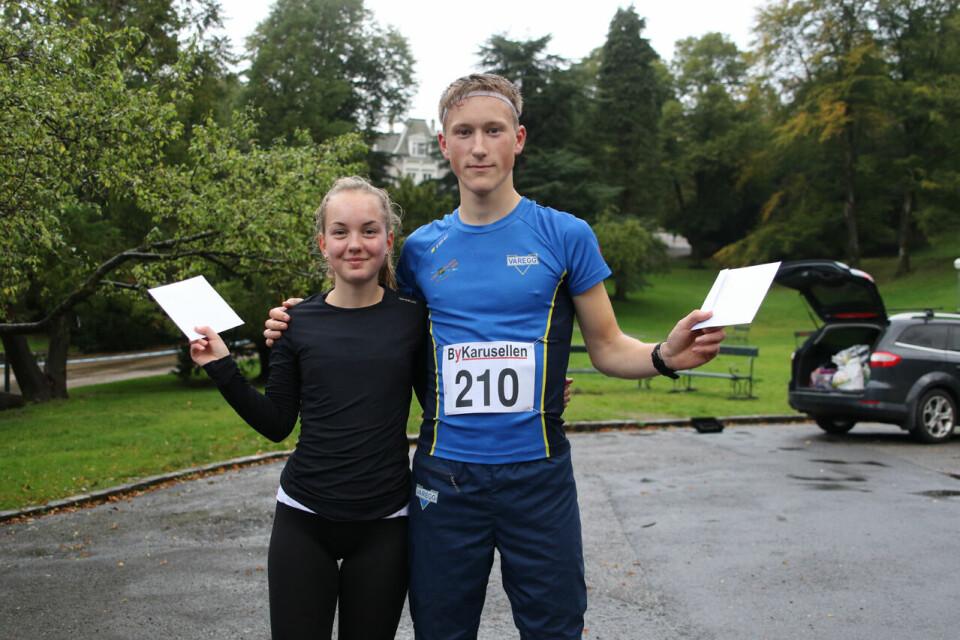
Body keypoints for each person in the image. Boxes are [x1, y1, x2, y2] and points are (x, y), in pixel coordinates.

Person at [264, 74, 726, 640]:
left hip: (538, 475)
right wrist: (299, 318)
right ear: (444, 144)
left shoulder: (566, 235)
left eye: (493, 130)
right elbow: (372, 321)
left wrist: (664, 355)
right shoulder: (420, 250)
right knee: (441, 630)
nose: (478, 147)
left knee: (555, 629)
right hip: (444, 478)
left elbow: (607, 347)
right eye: (464, 132)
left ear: (519, 138)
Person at [190, 176, 428, 640]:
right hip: (303, 519)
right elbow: (277, 423)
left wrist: (536, 397)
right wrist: (220, 365)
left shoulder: (414, 318)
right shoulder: (295, 323)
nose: (354, 244)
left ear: (388, 241)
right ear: (323, 243)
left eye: (368, 230)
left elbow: (443, 405)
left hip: (386, 524)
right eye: (340, 232)